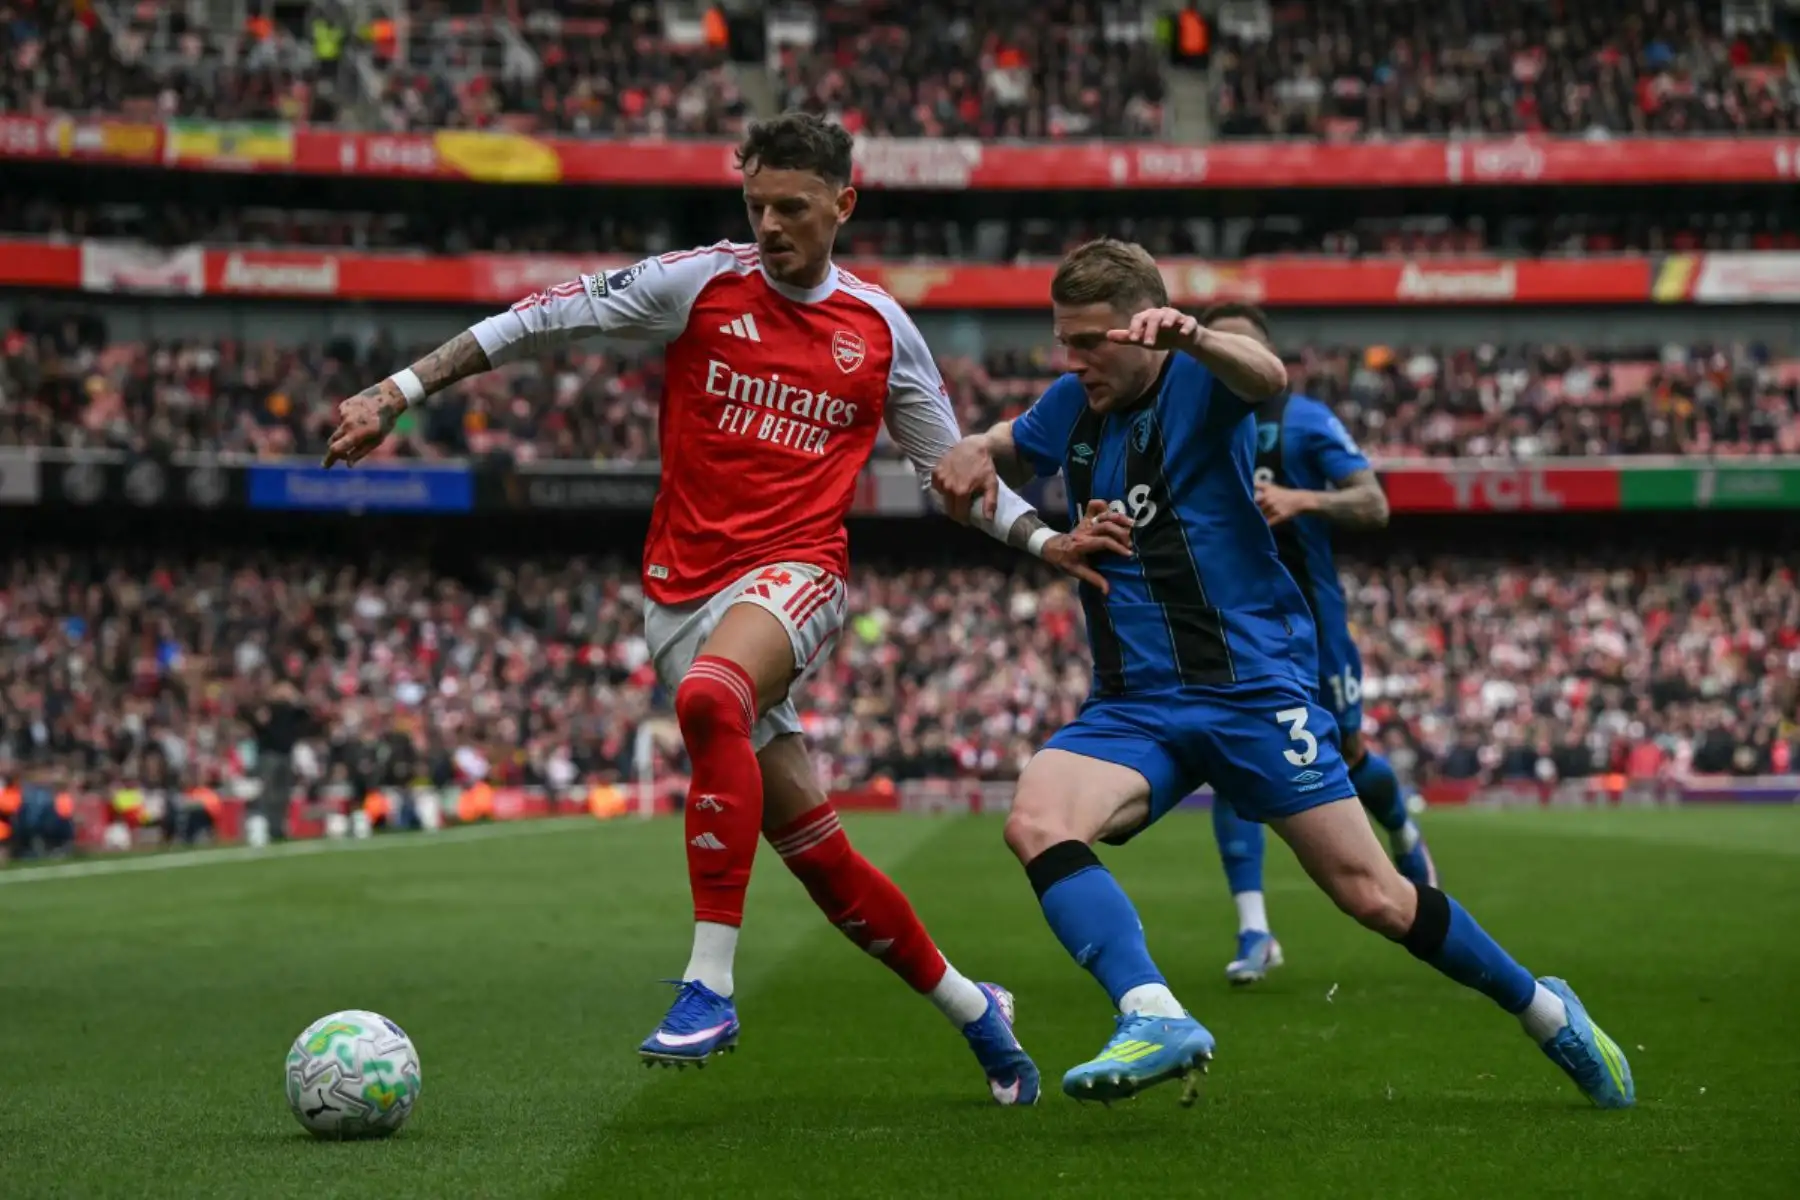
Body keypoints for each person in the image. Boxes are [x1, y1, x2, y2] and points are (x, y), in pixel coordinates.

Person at [321, 113, 1132, 1106]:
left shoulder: (879, 329)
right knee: (820, 858)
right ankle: (979, 1015)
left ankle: (709, 984)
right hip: (681, 590)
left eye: (793, 207)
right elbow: (539, 317)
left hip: (799, 575)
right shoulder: (698, 281)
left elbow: (950, 471)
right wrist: (397, 389)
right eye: (758, 205)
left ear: (845, 203)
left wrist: (1049, 542)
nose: (773, 223)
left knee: (711, 700)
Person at [931, 238, 1634, 1109]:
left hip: (1251, 692)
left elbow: (1267, 377)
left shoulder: (1200, 384)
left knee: (1374, 896)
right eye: (1063, 342)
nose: (1072, 361)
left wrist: (1195, 336)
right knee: (1037, 817)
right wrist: (974, 444)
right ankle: (1153, 1012)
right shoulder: (1072, 404)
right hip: (1136, 704)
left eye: (1090, 342)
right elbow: (1012, 439)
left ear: (1145, 333)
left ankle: (1544, 1010)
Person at [1196, 302, 1435, 987]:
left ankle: (1403, 831)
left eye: (1241, 347)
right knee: (1231, 765)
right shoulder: (1188, 427)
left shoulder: (1305, 422)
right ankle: (1254, 930)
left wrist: (1305, 501)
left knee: (1349, 756)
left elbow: (1374, 503)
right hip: (1234, 630)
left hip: (1314, 631)